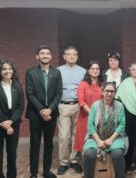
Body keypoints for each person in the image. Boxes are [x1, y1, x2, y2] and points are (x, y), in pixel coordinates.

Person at [25, 45, 62, 178]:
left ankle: (46, 172)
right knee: (35, 144)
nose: (45, 55)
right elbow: (29, 93)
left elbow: (59, 93)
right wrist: (42, 110)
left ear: (51, 56)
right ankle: (33, 174)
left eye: (47, 53)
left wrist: (50, 109)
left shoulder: (56, 73)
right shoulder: (30, 72)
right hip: (35, 114)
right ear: (37, 56)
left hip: (51, 114)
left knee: (49, 144)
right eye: (42, 53)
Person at [83, 82, 126, 178]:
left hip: (115, 138)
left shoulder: (119, 106)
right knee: (89, 154)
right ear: (102, 92)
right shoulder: (95, 105)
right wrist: (98, 141)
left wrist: (111, 139)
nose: (109, 94)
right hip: (95, 138)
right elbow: (90, 125)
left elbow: (122, 125)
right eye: (107, 91)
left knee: (118, 154)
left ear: (115, 93)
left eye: (112, 91)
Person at [57, 46, 86, 175]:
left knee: (76, 135)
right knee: (64, 136)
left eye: (74, 54)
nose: (72, 56)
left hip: (78, 106)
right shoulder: (58, 71)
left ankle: (74, 161)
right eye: (69, 54)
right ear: (64, 56)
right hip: (63, 106)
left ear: (77, 56)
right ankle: (63, 162)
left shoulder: (83, 71)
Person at [0, 59, 24, 178]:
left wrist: (11, 122)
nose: (7, 71)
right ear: (0, 71)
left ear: (13, 70)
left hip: (14, 121)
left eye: (9, 69)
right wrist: (5, 123)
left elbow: (20, 106)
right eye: (4, 69)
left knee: (12, 153)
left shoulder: (17, 85)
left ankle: (12, 175)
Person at [116, 61, 136, 174]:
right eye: (133, 69)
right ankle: (127, 166)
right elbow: (118, 98)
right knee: (129, 139)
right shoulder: (125, 83)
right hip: (128, 113)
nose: (135, 71)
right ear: (130, 71)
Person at [74, 61, 103, 153]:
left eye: (97, 69)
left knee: (99, 138)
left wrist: (99, 115)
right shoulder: (83, 84)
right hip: (86, 116)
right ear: (88, 71)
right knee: (84, 138)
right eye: (92, 68)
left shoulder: (103, 84)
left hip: (101, 117)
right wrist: (93, 114)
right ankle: (86, 163)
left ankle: (99, 163)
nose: (95, 70)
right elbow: (81, 102)